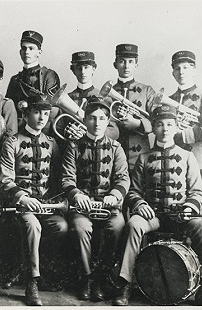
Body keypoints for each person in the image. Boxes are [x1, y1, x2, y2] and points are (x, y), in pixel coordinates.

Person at [112, 104, 202, 306]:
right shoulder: (143, 158)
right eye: (159, 125)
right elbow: (134, 191)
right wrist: (139, 204)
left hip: (181, 216)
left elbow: (196, 191)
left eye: (169, 125)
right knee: (133, 225)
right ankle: (125, 284)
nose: (165, 129)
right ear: (154, 128)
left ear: (176, 128)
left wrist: (189, 208)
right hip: (154, 217)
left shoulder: (187, 157)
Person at [0, 96, 68, 306]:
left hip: (46, 205)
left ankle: (42, 270)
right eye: (37, 112)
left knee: (62, 227)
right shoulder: (13, 142)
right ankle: (32, 281)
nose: (41, 118)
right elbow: (4, 180)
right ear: (26, 114)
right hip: (20, 205)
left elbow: (56, 178)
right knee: (32, 226)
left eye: (46, 114)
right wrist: (23, 197)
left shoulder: (51, 143)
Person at [61, 97, 129, 301]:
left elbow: (123, 178)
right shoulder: (73, 147)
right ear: (85, 120)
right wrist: (77, 195)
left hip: (109, 207)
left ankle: (102, 276)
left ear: (108, 121)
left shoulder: (116, 148)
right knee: (81, 229)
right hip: (83, 207)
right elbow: (67, 178)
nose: (97, 123)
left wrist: (114, 195)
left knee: (117, 227)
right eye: (91, 118)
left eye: (101, 118)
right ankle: (87, 278)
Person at [168, 50, 202, 182]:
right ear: (173, 73)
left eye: (185, 67)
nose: (181, 72)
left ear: (194, 71)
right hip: (171, 156)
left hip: (196, 155)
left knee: (194, 196)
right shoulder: (169, 99)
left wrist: (183, 134)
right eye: (177, 68)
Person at [111, 44, 156, 171]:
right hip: (114, 154)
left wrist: (137, 123)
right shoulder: (109, 93)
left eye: (130, 62)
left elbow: (158, 121)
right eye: (122, 61)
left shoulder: (147, 91)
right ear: (115, 64)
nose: (126, 66)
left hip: (141, 155)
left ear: (136, 64)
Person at [5, 30, 60, 132]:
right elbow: (9, 109)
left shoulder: (49, 75)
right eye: (24, 48)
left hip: (44, 130)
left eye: (31, 48)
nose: (27, 52)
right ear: (20, 52)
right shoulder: (15, 80)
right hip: (19, 131)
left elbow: (50, 107)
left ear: (39, 53)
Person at [67, 51, 119, 140]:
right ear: (73, 70)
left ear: (94, 68)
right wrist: (68, 132)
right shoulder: (67, 98)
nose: (83, 72)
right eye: (79, 68)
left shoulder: (105, 98)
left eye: (86, 67)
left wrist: (91, 131)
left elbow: (114, 132)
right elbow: (59, 127)